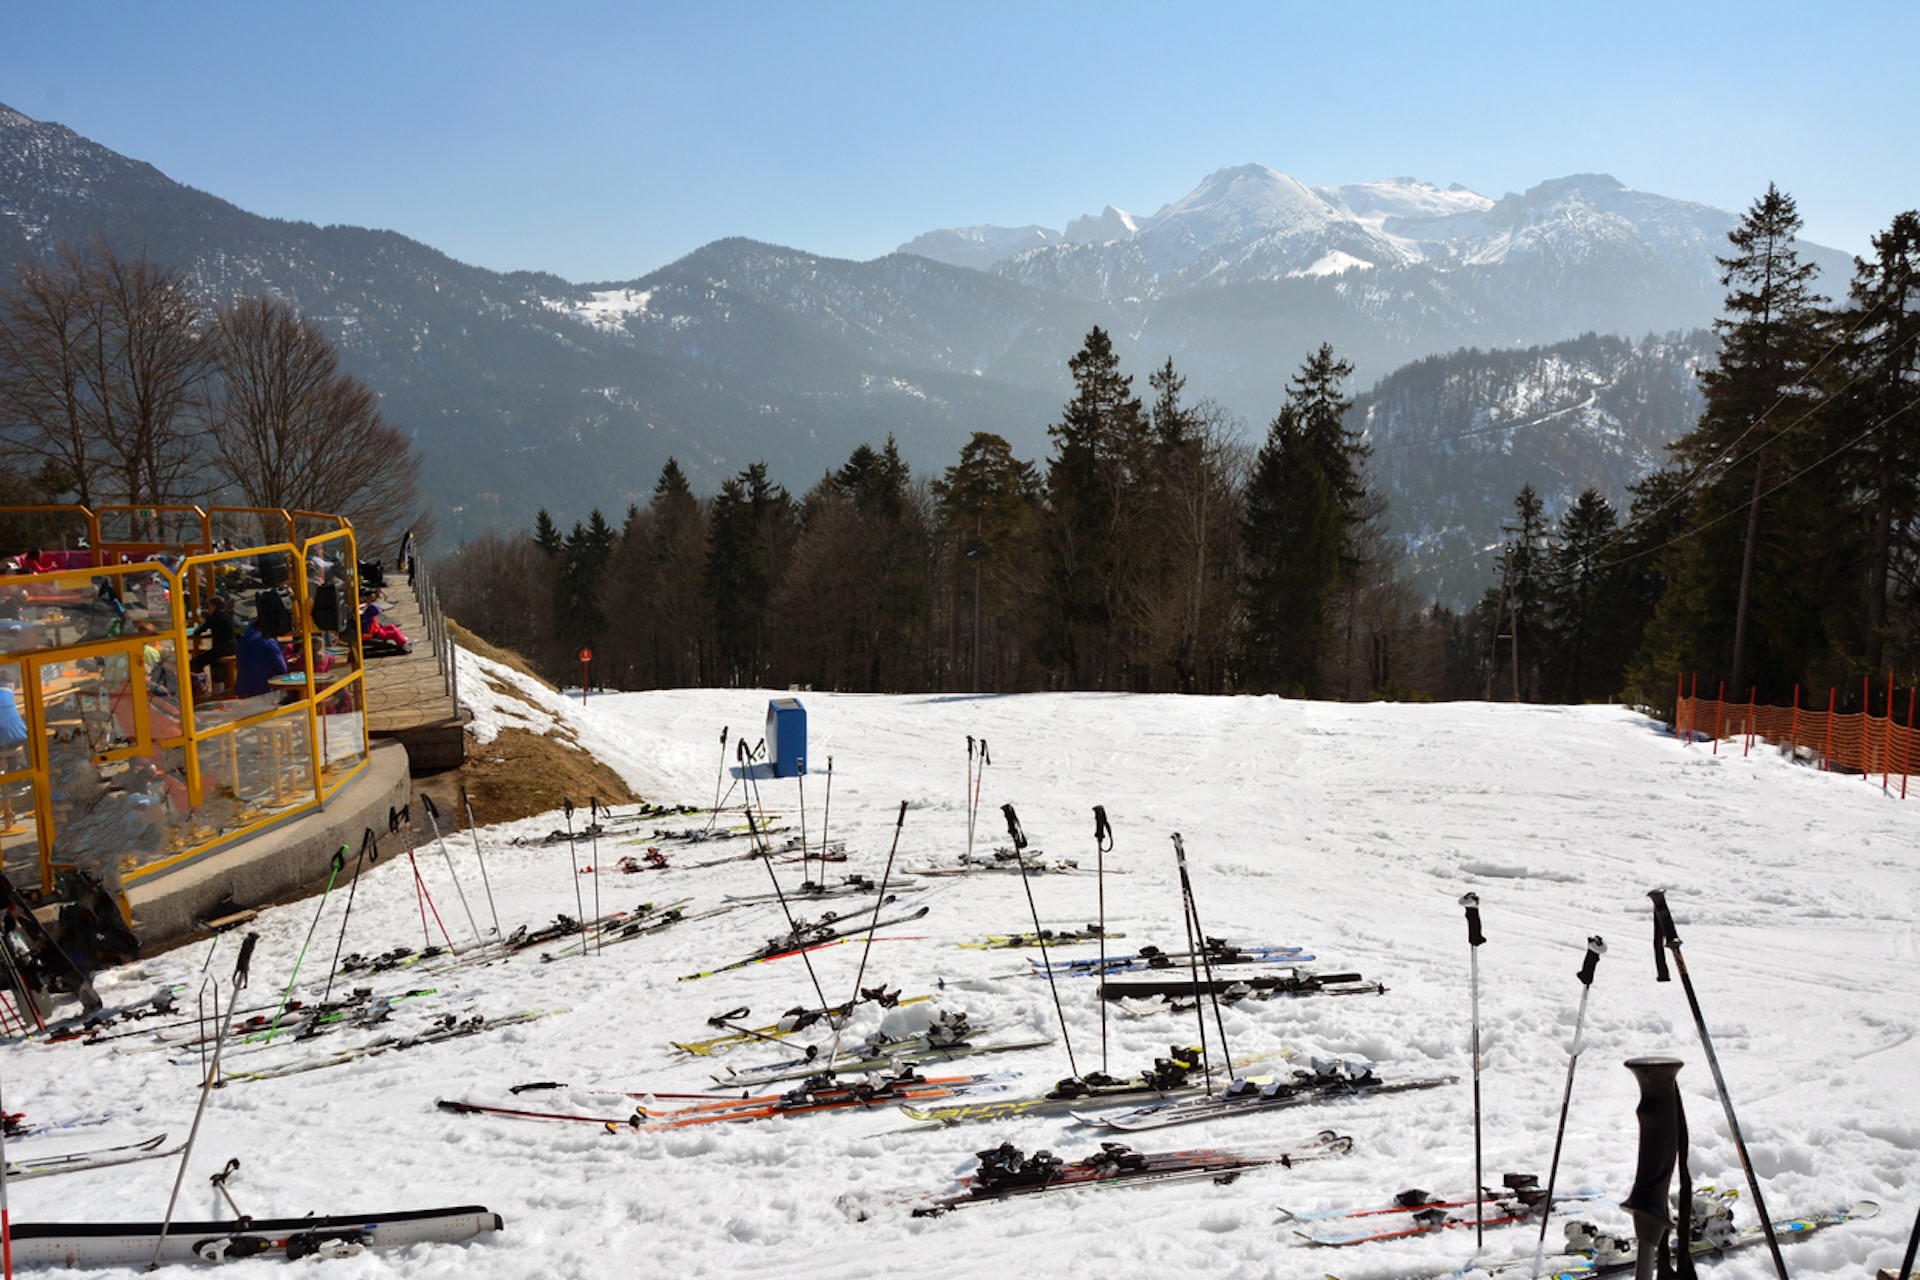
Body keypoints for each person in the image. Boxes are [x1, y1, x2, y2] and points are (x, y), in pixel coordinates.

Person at [233, 619, 288, 697]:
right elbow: (282, 667)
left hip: (243, 688)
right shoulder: (268, 640)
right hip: (265, 689)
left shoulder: (242, 641)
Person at [189, 596, 237, 683]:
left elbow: (197, 632)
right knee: (213, 659)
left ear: (214, 606)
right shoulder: (229, 615)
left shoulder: (213, 618)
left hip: (221, 650)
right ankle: (221, 686)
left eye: (209, 606)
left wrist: (205, 620)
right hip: (233, 648)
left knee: (195, 663)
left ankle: (201, 685)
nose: (208, 609)